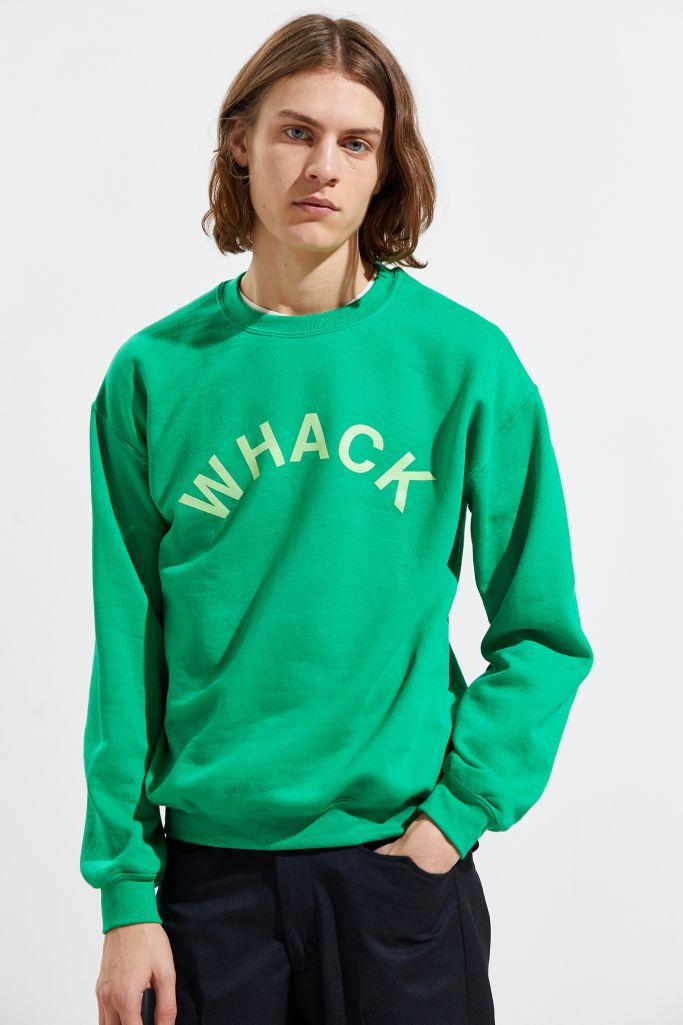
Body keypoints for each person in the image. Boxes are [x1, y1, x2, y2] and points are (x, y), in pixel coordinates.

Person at [80, 12, 594, 1025]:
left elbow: (543, 631)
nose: (322, 166)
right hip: (210, 888)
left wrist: (458, 812)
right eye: (295, 132)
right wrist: (126, 891)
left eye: (356, 142)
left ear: (383, 167)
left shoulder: (462, 362)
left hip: (397, 876)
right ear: (240, 142)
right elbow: (126, 647)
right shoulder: (154, 374)